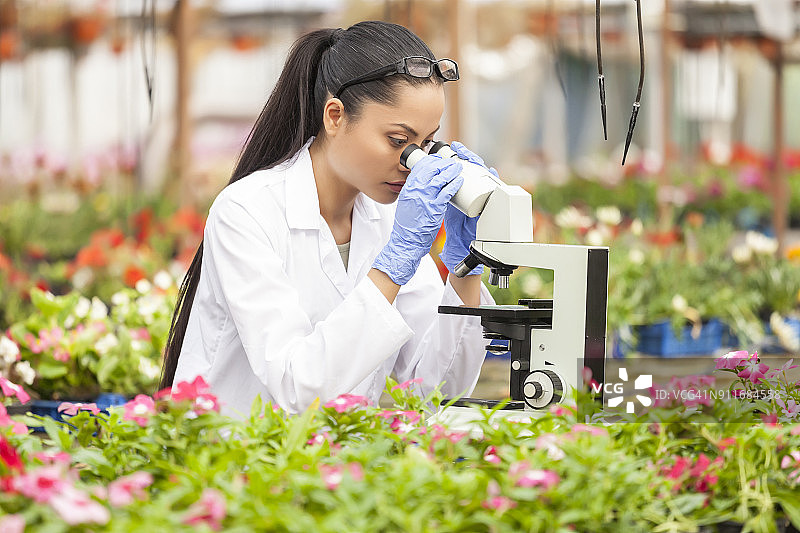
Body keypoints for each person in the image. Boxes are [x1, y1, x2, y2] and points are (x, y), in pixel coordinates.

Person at [160, 20, 496, 417]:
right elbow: (298, 388)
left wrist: (465, 267)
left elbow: (436, 391)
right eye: (398, 142)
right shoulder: (247, 212)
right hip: (236, 463)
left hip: (334, 467)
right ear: (335, 116)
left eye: (426, 143)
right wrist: (391, 269)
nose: (413, 163)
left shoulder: (387, 220)